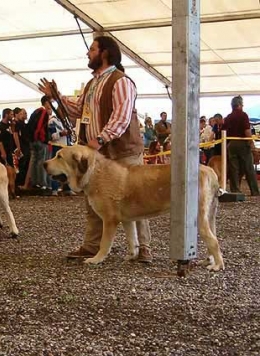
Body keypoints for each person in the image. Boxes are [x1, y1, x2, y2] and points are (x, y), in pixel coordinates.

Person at [39, 35, 152, 263]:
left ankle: (144, 248)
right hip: (99, 154)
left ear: (105, 53)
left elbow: (121, 117)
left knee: (136, 197)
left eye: (92, 49)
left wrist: (99, 140)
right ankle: (92, 246)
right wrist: (57, 97)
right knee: (93, 199)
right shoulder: (92, 84)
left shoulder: (121, 81)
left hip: (122, 152)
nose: (88, 53)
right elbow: (77, 110)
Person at [222, 95, 259, 195]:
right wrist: (251, 144)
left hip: (231, 144)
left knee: (234, 168)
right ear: (240, 105)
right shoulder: (243, 115)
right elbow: (247, 131)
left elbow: (223, 130)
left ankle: (235, 190)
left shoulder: (228, 117)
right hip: (242, 143)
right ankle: (254, 191)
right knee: (249, 167)